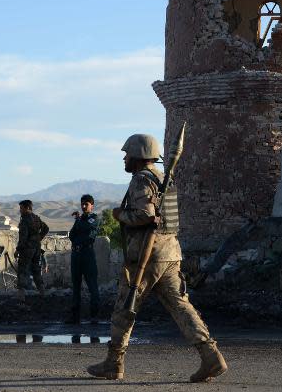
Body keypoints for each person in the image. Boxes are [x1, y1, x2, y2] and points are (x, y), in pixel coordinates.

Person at [87, 133, 227, 383]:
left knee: (125, 308)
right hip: (170, 254)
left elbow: (145, 215)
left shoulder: (142, 180)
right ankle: (210, 355)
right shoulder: (164, 178)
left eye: (127, 154)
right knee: (182, 307)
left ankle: (114, 362)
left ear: (139, 156)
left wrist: (120, 215)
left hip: (146, 256)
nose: (124, 159)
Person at [66, 194, 100, 324]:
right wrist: (78, 221)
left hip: (87, 255)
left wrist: (80, 220)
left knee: (92, 286)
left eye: (87, 204)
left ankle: (94, 316)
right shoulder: (79, 220)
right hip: (76, 255)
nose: (84, 206)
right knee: (76, 286)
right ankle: (75, 317)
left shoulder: (94, 218)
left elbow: (89, 231)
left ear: (92, 205)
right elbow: (72, 235)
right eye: (82, 204)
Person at [16, 200, 49, 293]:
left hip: (27, 249)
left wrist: (18, 250)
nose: (20, 211)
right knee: (36, 270)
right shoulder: (36, 218)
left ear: (27, 208)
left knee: (22, 270)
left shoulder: (25, 220)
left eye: (21, 208)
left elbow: (23, 237)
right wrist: (38, 238)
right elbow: (46, 228)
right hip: (37, 248)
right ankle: (42, 291)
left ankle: (21, 295)